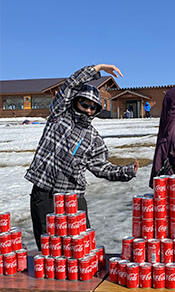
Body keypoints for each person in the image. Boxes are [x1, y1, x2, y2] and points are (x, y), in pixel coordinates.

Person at [25, 64, 139, 250]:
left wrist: (125, 170)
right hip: (43, 191)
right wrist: (96, 69)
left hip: (73, 196)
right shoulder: (59, 115)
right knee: (47, 246)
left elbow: (101, 167)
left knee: (80, 246)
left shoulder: (94, 137)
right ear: (75, 101)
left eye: (93, 107)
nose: (88, 109)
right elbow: (69, 85)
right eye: (84, 104)